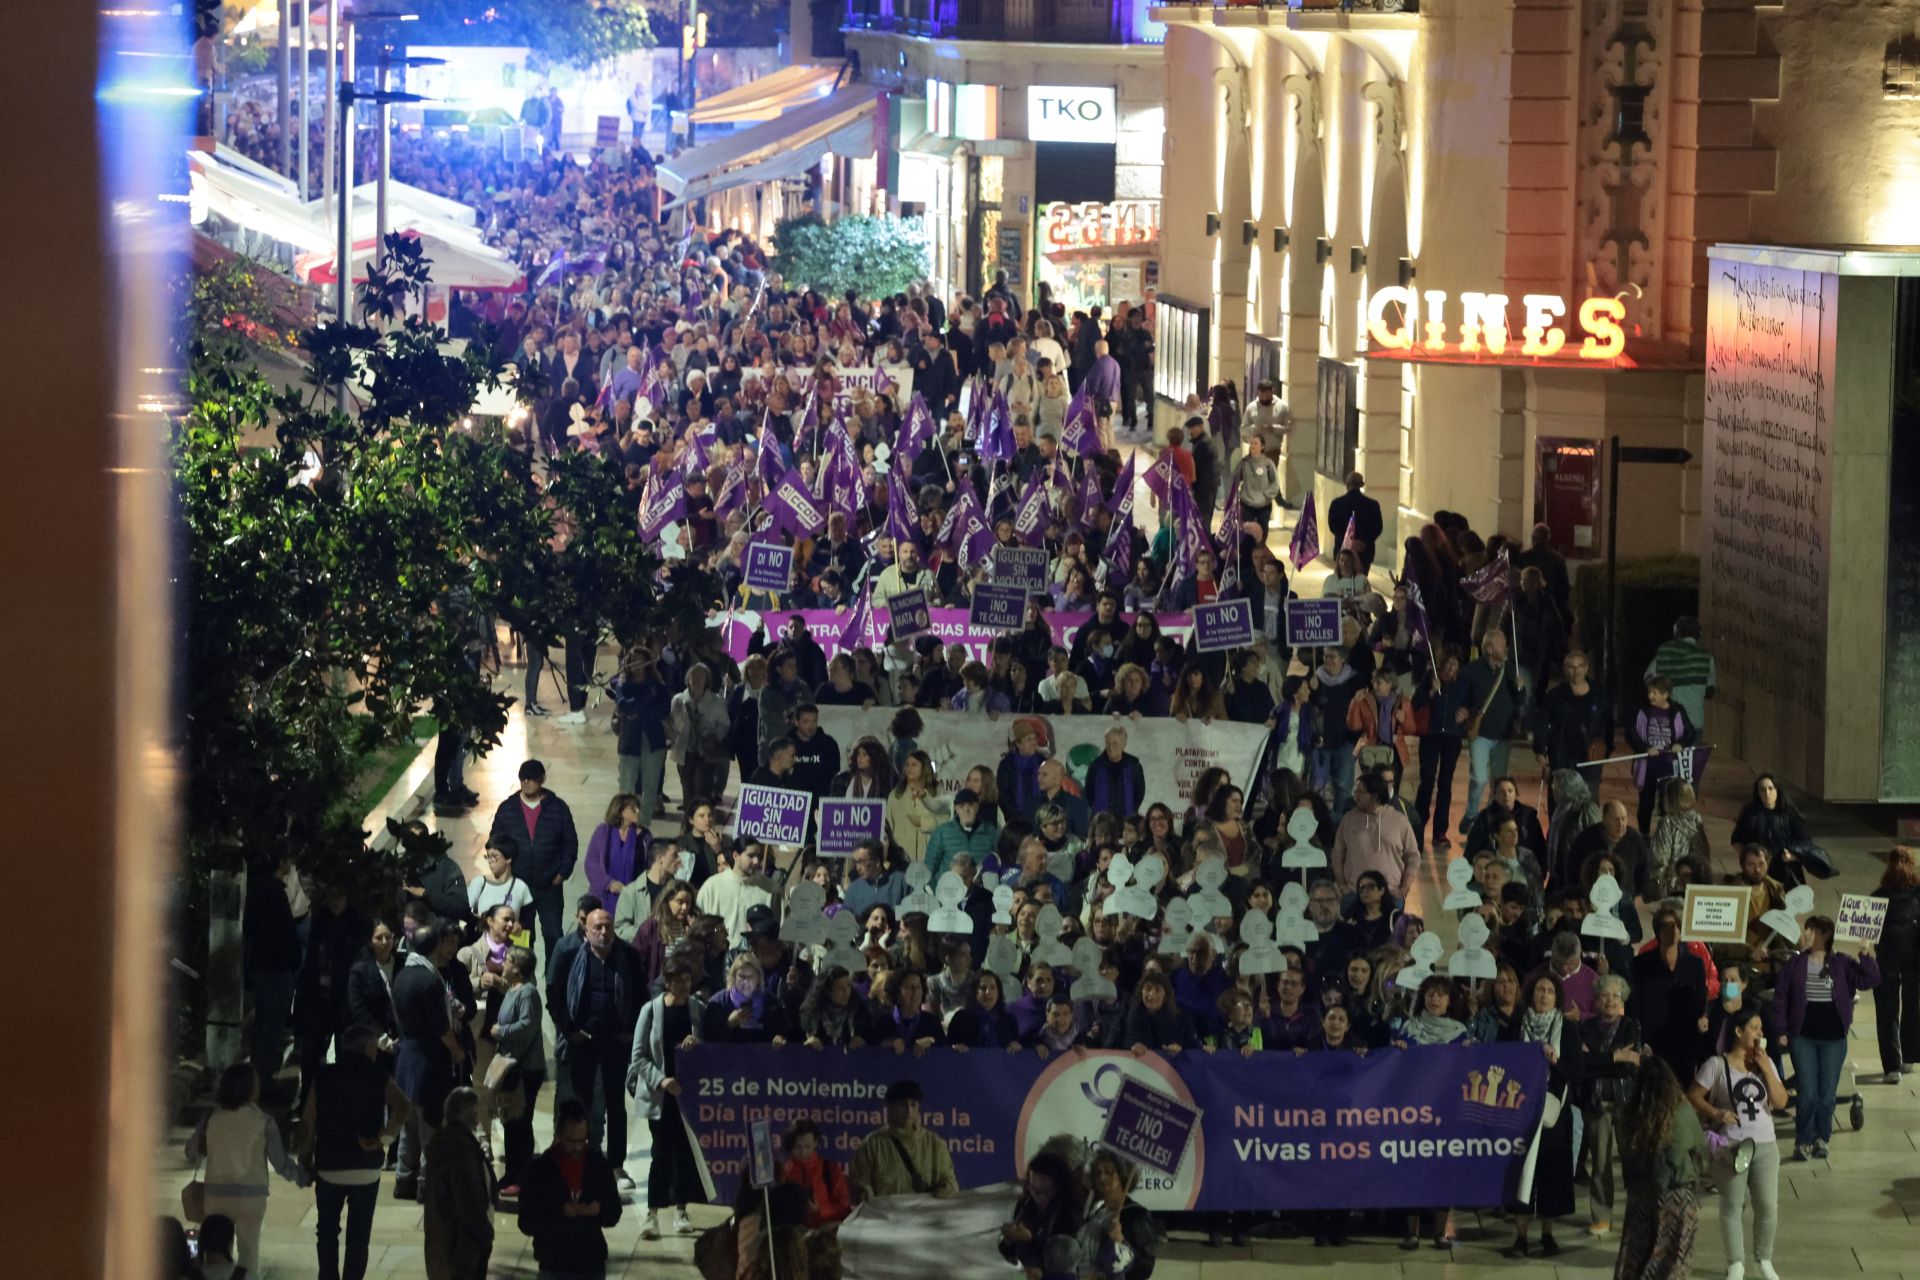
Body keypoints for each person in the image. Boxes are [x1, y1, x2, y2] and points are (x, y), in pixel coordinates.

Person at [298, 1024, 411, 1280]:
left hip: (330, 1164)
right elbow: (403, 1106)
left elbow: (308, 1121)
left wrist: (305, 1159)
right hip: (365, 1167)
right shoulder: (378, 1075)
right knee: (358, 1237)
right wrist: (384, 1138)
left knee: (326, 1231)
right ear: (368, 1048)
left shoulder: (324, 1075)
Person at [1689, 1007, 1787, 1280]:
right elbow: (1694, 1096)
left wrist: (1767, 1067)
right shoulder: (1716, 1065)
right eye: (1754, 1028)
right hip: (1732, 1147)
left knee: (1767, 1205)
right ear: (1738, 1032)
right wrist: (1716, 1114)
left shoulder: (1763, 1065)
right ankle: (1736, 1263)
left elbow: (1781, 1102)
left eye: (1761, 1029)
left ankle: (1764, 1258)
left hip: (1765, 1144)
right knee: (1732, 1205)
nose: (1759, 1034)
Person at [1773, 913, 1880, 1160]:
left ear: (1824, 935)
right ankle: (1803, 1140)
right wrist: (1781, 1030)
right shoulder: (1796, 965)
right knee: (1807, 1092)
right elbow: (1781, 998)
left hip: (1833, 1039)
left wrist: (1865, 953)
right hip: (1804, 1038)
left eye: (1810, 930)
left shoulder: (1841, 963)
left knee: (1826, 1093)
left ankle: (1822, 1137)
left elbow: (1870, 979)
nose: (1805, 935)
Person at [551, 908, 645, 1191]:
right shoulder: (569, 957)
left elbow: (640, 994)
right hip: (583, 1041)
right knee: (581, 1103)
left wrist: (631, 1032)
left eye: (608, 926)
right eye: (597, 928)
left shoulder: (627, 956)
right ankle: (582, 1159)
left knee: (616, 1105)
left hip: (616, 1042)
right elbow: (554, 995)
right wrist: (569, 1031)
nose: (603, 932)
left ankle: (615, 1164)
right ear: (586, 930)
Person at [185, 1063, 302, 1274]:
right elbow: (281, 1163)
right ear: (251, 1088)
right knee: (249, 1252)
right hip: (251, 1197)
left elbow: (191, 1151)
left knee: (217, 1254)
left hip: (216, 1195)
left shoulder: (212, 1117)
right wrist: (302, 1176)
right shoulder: (264, 1121)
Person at [627, 960, 706, 1239]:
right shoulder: (650, 1011)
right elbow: (639, 1056)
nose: (684, 986)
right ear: (667, 981)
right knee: (661, 1154)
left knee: (685, 1155)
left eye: (687, 980)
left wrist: (697, 1047)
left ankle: (681, 1209)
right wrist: (661, 1080)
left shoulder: (698, 1010)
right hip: (661, 1096)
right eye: (678, 980)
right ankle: (652, 1213)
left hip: (687, 1096)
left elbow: (708, 1050)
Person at [1502, 972, 1579, 1258]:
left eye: (1549, 990)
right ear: (1531, 994)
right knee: (1519, 1170)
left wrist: (1556, 1062)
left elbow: (1577, 1070)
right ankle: (1520, 1236)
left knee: (1551, 1171)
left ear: (1557, 997)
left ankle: (1548, 1235)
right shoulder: (1516, 1025)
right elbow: (1501, 1059)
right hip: (1519, 1106)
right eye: (1539, 990)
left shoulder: (1567, 1029)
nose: (1544, 995)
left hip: (1553, 1110)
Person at [1613, 1057, 1707, 1280]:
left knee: (1637, 1256)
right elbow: (1696, 1148)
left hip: (1639, 1196)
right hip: (1676, 1196)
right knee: (1673, 1260)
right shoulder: (1681, 1111)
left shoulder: (1629, 1112)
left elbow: (1625, 1151)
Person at [392, 921, 466, 1201]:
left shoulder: (403, 975)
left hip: (406, 1058)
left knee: (409, 1125)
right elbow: (440, 1027)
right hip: (427, 1061)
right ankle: (427, 1184)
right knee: (430, 1127)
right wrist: (457, 1051)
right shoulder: (429, 979)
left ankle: (404, 1179)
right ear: (435, 946)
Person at [487, 760, 579, 970]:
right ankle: (524, 978)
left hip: (550, 886)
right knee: (521, 937)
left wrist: (562, 874)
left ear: (542, 779)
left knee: (553, 935)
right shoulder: (507, 809)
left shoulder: (558, 808)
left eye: (531, 778)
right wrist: (504, 873)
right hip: (520, 887)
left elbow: (570, 843)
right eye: (523, 779)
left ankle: (553, 981)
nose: (526, 782)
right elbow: (495, 842)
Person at [517, 1098, 624, 1279]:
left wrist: (598, 1209)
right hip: (554, 1263)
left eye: (582, 1141)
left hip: (591, 1262)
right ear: (558, 1134)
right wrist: (559, 1212)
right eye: (570, 1141)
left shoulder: (597, 1164)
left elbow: (613, 1212)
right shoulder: (540, 1170)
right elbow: (526, 1222)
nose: (577, 1147)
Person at [1577, 973, 1642, 1236]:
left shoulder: (1631, 1026)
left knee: (1631, 1160)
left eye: (1616, 995)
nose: (1611, 1000)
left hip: (1626, 1102)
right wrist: (1615, 1056)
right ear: (1596, 999)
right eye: (1605, 995)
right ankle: (1601, 1216)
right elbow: (1584, 1064)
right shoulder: (1586, 1027)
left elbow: (1630, 1065)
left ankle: (1636, 1215)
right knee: (1600, 1162)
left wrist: (1599, 1059)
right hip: (1596, 1102)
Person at [1457, 629, 1525, 834]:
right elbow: (1463, 698)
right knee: (1478, 778)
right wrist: (1464, 713)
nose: (1506, 648)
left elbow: (1519, 701)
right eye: (1502, 644)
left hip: (1503, 735)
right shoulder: (1472, 671)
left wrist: (1520, 688)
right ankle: (1471, 815)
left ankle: (1490, 817)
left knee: (1498, 780)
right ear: (1489, 649)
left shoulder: (1511, 670)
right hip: (1481, 735)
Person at [422, 1087, 494, 1280]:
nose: (480, 1114)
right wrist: (485, 1234)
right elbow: (469, 1199)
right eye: (477, 1110)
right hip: (462, 1243)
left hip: (448, 1241)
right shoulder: (460, 1151)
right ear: (466, 1113)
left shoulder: (446, 1142)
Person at [491, 945, 546, 1196]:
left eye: (509, 960)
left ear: (519, 968)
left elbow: (527, 1026)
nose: (504, 962)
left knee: (521, 1123)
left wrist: (501, 1032)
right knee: (511, 1124)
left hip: (524, 1069)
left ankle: (522, 1176)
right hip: (511, 1066)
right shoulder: (511, 990)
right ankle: (511, 1173)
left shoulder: (528, 993)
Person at [849, 1078, 959, 1201]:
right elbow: (859, 1181)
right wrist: (863, 1191)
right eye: (902, 1104)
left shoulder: (934, 1144)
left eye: (913, 1104)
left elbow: (949, 1180)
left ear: (918, 1108)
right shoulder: (872, 1145)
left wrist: (946, 1188)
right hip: (885, 1217)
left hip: (925, 1217)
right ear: (890, 1108)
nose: (908, 1110)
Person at [1330, 774, 1420, 901]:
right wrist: (1342, 885)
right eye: (1356, 791)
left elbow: (1413, 857)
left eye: (1361, 792)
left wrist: (1404, 889)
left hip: (1390, 896)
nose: (1356, 796)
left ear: (1375, 796)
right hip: (1355, 895)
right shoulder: (1349, 819)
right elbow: (1337, 854)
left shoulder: (1399, 821)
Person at [1871, 845, 1920, 1080]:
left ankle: (1892, 1066)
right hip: (1914, 960)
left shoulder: (1879, 895)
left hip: (1887, 959)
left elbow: (1866, 932)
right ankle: (1909, 1056)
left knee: (1887, 1012)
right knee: (1913, 1008)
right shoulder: (1918, 893)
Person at [1732, 773, 1827, 886]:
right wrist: (1749, 858)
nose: (1767, 793)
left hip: (1785, 870)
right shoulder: (1749, 814)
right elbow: (1736, 840)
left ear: (1777, 790)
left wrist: (1793, 855)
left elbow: (1805, 841)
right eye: (1762, 790)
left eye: (1770, 788)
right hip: (1759, 871)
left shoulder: (1789, 814)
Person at [1077, 1150, 1160, 1280]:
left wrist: (1121, 1240)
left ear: (1122, 1175)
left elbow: (1145, 1269)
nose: (1102, 1178)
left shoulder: (1137, 1215)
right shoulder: (1096, 1210)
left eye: (1108, 1172)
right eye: (1098, 1173)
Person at [1001, 1150, 1085, 1273]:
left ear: (1058, 1187)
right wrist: (1008, 1241)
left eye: (1043, 1191)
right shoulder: (1026, 1204)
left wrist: (1030, 1239)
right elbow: (1010, 1255)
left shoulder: (1069, 1213)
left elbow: (1062, 1259)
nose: (1036, 1195)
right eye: (1032, 1188)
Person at [668, 661, 731, 811]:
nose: (697, 679)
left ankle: (701, 819)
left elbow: (724, 724)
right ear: (687, 679)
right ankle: (688, 823)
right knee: (687, 788)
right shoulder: (678, 700)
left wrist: (714, 738)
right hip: (685, 752)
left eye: (701, 677)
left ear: (707, 681)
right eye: (694, 676)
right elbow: (672, 722)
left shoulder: (716, 702)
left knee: (703, 788)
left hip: (706, 753)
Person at [1644, 615, 1716, 736]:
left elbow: (1648, 678)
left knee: (1667, 755)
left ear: (1676, 633)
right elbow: (1710, 691)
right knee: (1691, 754)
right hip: (1694, 721)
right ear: (1699, 634)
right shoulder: (1706, 657)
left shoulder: (1665, 651)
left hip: (1667, 720)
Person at [583, 794, 649, 925]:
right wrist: (609, 883)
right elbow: (591, 863)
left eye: (638, 808)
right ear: (620, 811)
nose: (638, 811)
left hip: (631, 898)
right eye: (633, 808)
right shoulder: (603, 831)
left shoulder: (645, 836)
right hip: (604, 897)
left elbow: (650, 865)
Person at [780, 1119, 852, 1227]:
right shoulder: (783, 1173)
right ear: (790, 1146)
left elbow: (843, 1206)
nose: (804, 1152)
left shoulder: (830, 1169)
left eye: (808, 1147)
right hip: (793, 1235)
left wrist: (820, 1211)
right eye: (798, 1147)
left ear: (816, 1143)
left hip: (825, 1234)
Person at [1326, 470, 1384, 570]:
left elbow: (1333, 526)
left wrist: (1349, 541)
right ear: (1362, 485)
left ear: (1347, 484)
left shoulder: (1337, 504)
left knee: (1343, 581)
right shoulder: (1373, 505)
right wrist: (1362, 542)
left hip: (1343, 550)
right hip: (1364, 551)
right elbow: (1377, 528)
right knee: (1361, 581)